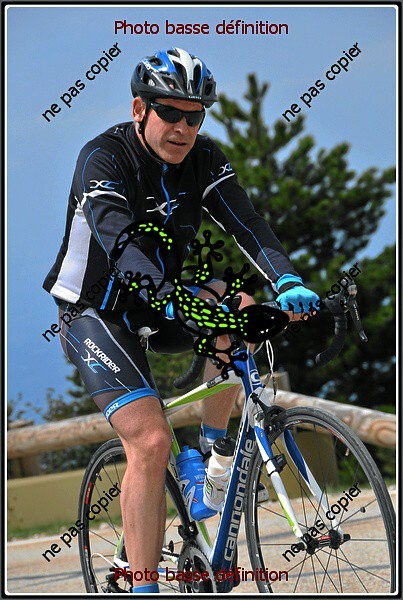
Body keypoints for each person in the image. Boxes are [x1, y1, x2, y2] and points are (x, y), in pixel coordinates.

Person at [43, 47, 319, 594]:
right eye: (170, 113)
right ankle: (144, 586)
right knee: (150, 441)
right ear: (138, 109)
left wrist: (287, 280)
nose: (184, 128)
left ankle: (214, 460)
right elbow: (121, 243)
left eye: (195, 117)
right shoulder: (103, 158)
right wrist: (170, 299)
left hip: (162, 298)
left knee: (240, 309)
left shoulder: (205, 158)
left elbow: (248, 223)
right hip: (96, 309)